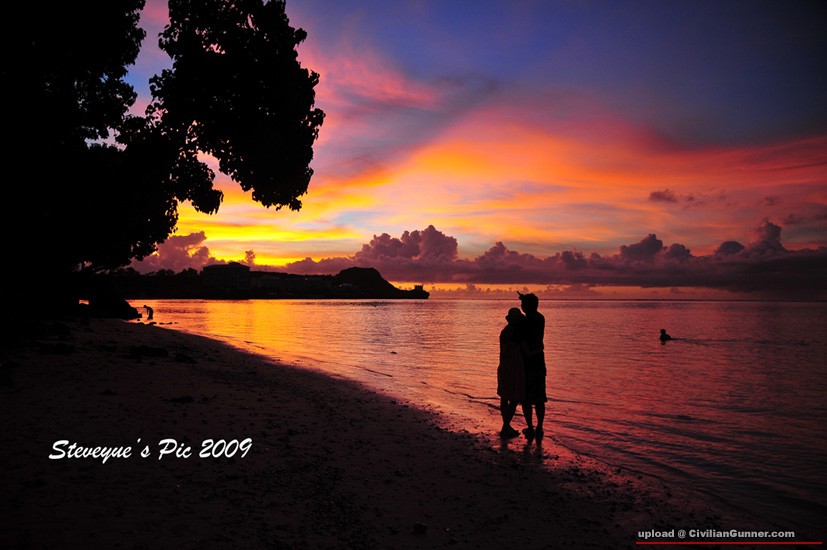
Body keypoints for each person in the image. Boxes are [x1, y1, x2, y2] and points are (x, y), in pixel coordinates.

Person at [518, 292, 547, 441]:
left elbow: (521, 338)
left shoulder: (524, 322)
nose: (521, 307)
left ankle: (530, 427)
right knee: (540, 398)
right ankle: (539, 427)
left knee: (527, 399)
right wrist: (526, 299)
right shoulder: (540, 318)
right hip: (539, 360)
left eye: (523, 305)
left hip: (527, 362)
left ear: (526, 306)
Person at [497, 308, 526, 439]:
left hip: (504, 366)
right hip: (513, 367)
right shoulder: (516, 335)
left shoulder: (505, 332)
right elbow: (525, 350)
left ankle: (506, 426)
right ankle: (505, 426)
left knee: (504, 397)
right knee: (514, 398)